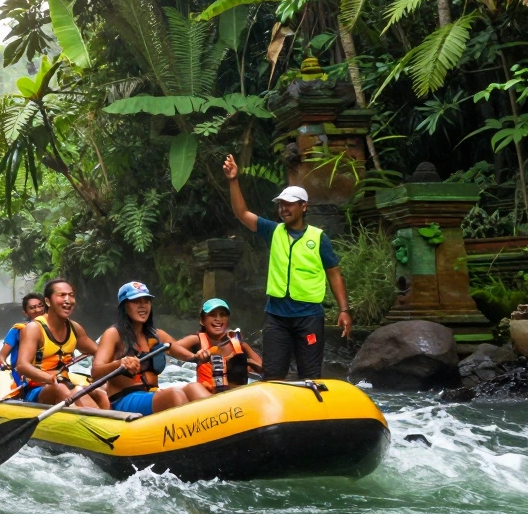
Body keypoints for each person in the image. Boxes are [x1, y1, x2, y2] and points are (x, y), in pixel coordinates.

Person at [223, 155, 352, 380]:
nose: (284, 209)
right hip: (277, 316)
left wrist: (344, 310)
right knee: (272, 374)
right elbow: (242, 214)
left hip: (309, 316)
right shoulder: (273, 231)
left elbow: (334, 273)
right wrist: (233, 180)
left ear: (304, 207)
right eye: (281, 205)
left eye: (289, 204)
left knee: (310, 375)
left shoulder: (318, 238)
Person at [92, 282, 211, 416]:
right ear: (124, 306)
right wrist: (120, 363)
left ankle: (218, 426)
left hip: (152, 394)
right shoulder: (113, 334)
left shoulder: (156, 335)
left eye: (147, 301)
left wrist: (199, 355)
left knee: (194, 387)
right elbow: (96, 371)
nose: (143, 305)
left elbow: (189, 356)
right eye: (136, 301)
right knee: (174, 395)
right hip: (124, 399)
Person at [12, 279, 109, 409]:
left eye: (71, 295)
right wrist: (49, 378)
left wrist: (101, 373)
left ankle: (107, 423)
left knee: (100, 394)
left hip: (64, 382)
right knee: (60, 388)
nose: (68, 300)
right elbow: (22, 366)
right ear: (47, 301)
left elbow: (99, 352)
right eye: (62, 295)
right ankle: (93, 421)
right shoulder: (34, 329)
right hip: (36, 389)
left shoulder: (75, 328)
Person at [174, 298, 262, 394]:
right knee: (192, 388)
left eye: (223, 315)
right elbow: (171, 348)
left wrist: (247, 363)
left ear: (228, 320)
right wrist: (194, 356)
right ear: (202, 321)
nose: (218, 319)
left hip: (236, 400)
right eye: (212, 315)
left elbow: (263, 369)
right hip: (207, 399)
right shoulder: (196, 340)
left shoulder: (239, 344)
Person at [0, 292, 45, 369]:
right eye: (32, 308)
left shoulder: (53, 329)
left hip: (48, 372)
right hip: (22, 374)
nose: (37, 310)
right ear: (25, 313)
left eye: (40, 306)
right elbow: (1, 357)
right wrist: (3, 364)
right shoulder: (17, 330)